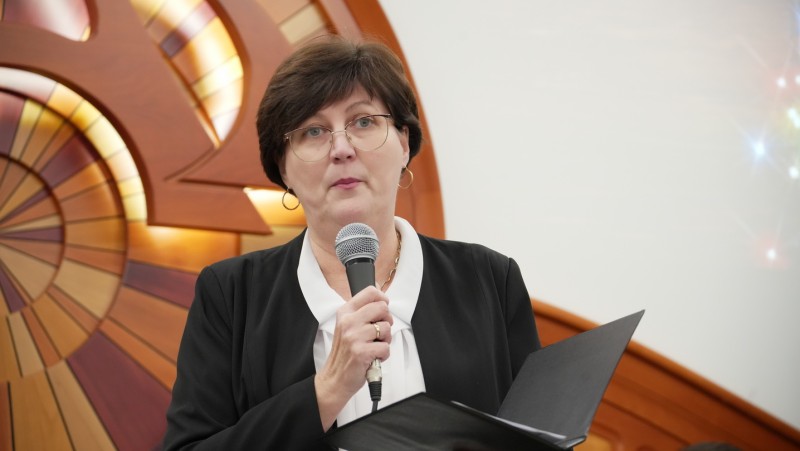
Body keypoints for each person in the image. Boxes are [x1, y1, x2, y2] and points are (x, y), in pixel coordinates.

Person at [162, 35, 540, 450]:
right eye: (314, 131)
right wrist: (326, 391)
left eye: (363, 122)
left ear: (403, 143)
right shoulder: (231, 294)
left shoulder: (490, 280)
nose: (341, 149)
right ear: (283, 168)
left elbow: (539, 437)